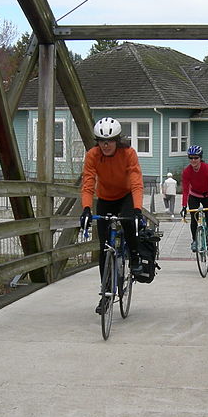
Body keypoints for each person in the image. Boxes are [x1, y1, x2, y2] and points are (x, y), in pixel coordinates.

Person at [80, 117, 145, 314]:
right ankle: (106, 294)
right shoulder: (92, 155)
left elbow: (136, 181)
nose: (105, 145)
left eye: (109, 141)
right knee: (104, 248)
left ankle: (134, 258)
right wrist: (86, 208)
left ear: (117, 140)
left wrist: (137, 209)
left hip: (125, 197)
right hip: (106, 199)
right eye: (101, 141)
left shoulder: (128, 154)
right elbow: (88, 182)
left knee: (129, 224)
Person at [180, 145, 208, 261]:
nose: (193, 161)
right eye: (191, 158)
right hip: (194, 195)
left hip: (207, 195)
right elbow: (185, 190)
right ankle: (194, 240)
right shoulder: (187, 171)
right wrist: (183, 206)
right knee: (194, 218)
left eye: (196, 158)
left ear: (200, 158)